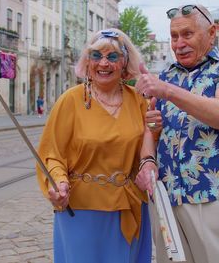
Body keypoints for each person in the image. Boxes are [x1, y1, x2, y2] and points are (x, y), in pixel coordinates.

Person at [135, 4, 219, 263]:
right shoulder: (168, 75)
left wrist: (167, 91)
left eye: (187, 34)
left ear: (211, 34)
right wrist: (148, 153)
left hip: (212, 194)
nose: (179, 43)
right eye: (174, 36)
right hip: (168, 197)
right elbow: (151, 132)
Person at [36, 28, 157, 263]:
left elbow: (149, 151)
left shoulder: (139, 101)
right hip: (81, 209)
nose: (104, 63)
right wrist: (58, 183)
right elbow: (52, 154)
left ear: (124, 63)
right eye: (96, 56)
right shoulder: (70, 101)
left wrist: (155, 130)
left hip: (128, 207)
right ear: (87, 62)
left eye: (112, 57)